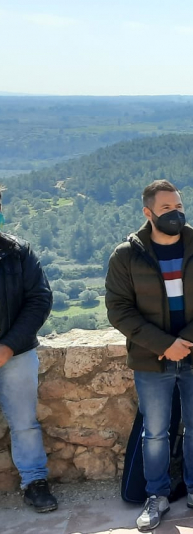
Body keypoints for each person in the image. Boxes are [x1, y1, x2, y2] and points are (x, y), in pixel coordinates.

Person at [105, 180, 193, 531]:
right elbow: (119, 310)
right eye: (166, 208)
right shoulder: (126, 255)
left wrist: (187, 341)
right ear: (148, 213)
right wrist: (164, 345)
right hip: (152, 359)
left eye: (178, 206)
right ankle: (156, 496)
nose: (175, 214)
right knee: (154, 432)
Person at [0, 188, 58, 513]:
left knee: (24, 423)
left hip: (16, 354)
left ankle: (35, 482)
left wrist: (8, 346)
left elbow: (39, 299)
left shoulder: (17, 252)